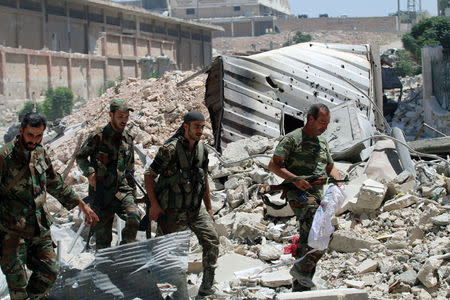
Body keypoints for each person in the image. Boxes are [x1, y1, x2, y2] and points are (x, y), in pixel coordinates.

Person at [0, 112, 99, 300]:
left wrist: (81, 205)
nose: (34, 140)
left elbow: (54, 182)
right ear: (21, 131)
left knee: (50, 272)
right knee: (18, 286)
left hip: (39, 227)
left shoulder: (39, 152)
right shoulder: (5, 156)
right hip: (11, 232)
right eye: (30, 135)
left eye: (39, 136)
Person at [144, 111, 219, 297]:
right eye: (196, 126)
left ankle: (207, 287)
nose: (200, 130)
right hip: (173, 211)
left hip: (195, 208)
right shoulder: (169, 150)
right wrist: (154, 205)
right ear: (185, 126)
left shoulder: (203, 149)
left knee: (212, 241)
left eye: (202, 126)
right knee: (174, 255)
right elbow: (149, 175)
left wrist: (208, 207)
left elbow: (204, 179)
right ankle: (175, 293)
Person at [268, 103, 341, 292]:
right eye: (322, 122)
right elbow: (274, 165)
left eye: (327, 123)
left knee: (319, 234)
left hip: (318, 195)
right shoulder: (292, 139)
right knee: (313, 223)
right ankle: (301, 273)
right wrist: (296, 179)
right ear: (311, 119)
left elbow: (330, 167)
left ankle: (301, 284)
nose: (325, 127)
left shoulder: (322, 142)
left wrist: (338, 181)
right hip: (297, 193)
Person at [76, 99, 140, 250]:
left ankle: (125, 251)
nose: (124, 120)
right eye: (120, 116)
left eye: (126, 116)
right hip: (102, 192)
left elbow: (130, 169)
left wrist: (134, 194)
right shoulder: (98, 136)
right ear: (111, 115)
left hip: (122, 190)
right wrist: (90, 173)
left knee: (134, 216)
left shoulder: (128, 138)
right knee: (103, 242)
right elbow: (81, 157)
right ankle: (105, 267)